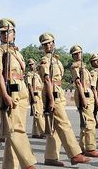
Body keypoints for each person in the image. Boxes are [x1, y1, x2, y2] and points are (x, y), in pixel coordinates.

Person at [38, 33, 91, 167]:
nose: (48, 45)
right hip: (52, 92)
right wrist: (50, 99)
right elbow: (47, 80)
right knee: (64, 123)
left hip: (57, 91)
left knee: (55, 128)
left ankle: (50, 157)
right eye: (45, 44)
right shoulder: (45, 61)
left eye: (50, 43)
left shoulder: (56, 60)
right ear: (42, 47)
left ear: (54, 43)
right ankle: (75, 155)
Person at [0, 18, 37, 169]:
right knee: (16, 129)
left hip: (21, 89)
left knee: (15, 131)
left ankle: (9, 166)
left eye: (8, 32)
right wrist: (5, 95)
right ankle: (28, 163)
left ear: (14, 34)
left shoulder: (17, 51)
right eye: (2, 33)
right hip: (9, 89)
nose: (5, 35)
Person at [70, 45, 98, 158]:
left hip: (88, 94)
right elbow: (78, 83)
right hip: (83, 94)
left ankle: (82, 146)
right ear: (73, 55)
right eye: (76, 53)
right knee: (90, 122)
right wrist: (83, 97)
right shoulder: (75, 66)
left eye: (80, 52)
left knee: (85, 122)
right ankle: (90, 148)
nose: (79, 55)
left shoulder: (84, 67)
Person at [26, 58, 45, 139]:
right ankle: (43, 131)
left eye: (32, 64)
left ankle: (35, 132)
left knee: (39, 113)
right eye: (30, 64)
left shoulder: (37, 73)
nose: (31, 66)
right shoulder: (29, 74)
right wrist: (33, 97)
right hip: (35, 95)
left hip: (40, 95)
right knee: (37, 114)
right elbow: (29, 86)